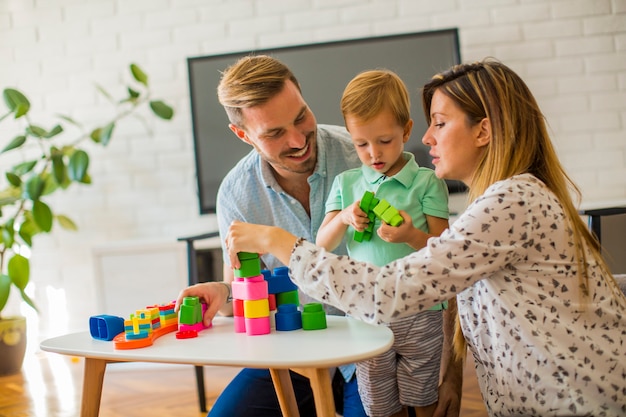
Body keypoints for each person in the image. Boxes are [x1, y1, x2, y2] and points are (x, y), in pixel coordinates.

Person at [223, 59, 626, 416]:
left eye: (440, 122)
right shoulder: (504, 198)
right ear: (244, 135)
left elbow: (393, 291)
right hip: (312, 342)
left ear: (483, 131)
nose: (427, 139)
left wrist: (280, 242)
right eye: (276, 132)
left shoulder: (508, 202)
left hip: (567, 398)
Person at [175, 55, 463, 417]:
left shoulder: (366, 151)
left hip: (371, 344)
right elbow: (245, 292)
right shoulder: (236, 193)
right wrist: (223, 290)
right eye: (275, 133)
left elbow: (446, 264)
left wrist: (451, 375)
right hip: (293, 352)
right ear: (243, 135)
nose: (298, 140)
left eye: (300, 117)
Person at [316, 69, 451, 417]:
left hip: (421, 310)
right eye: (361, 144)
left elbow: (445, 250)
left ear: (406, 131)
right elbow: (322, 244)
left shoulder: (427, 183)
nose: (373, 153)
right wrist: (344, 217)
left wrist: (410, 236)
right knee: (378, 404)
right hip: (366, 313)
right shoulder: (347, 185)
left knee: (424, 399)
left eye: (385, 141)